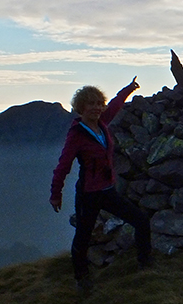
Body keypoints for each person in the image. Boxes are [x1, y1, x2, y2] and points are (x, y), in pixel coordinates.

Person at [49, 76, 152, 291]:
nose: (96, 108)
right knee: (83, 237)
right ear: (80, 107)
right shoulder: (76, 134)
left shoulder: (102, 124)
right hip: (88, 194)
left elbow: (114, 105)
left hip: (107, 191)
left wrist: (128, 89)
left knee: (141, 220)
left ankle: (145, 264)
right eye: (91, 104)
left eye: (98, 103)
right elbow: (63, 165)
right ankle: (81, 278)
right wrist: (55, 193)